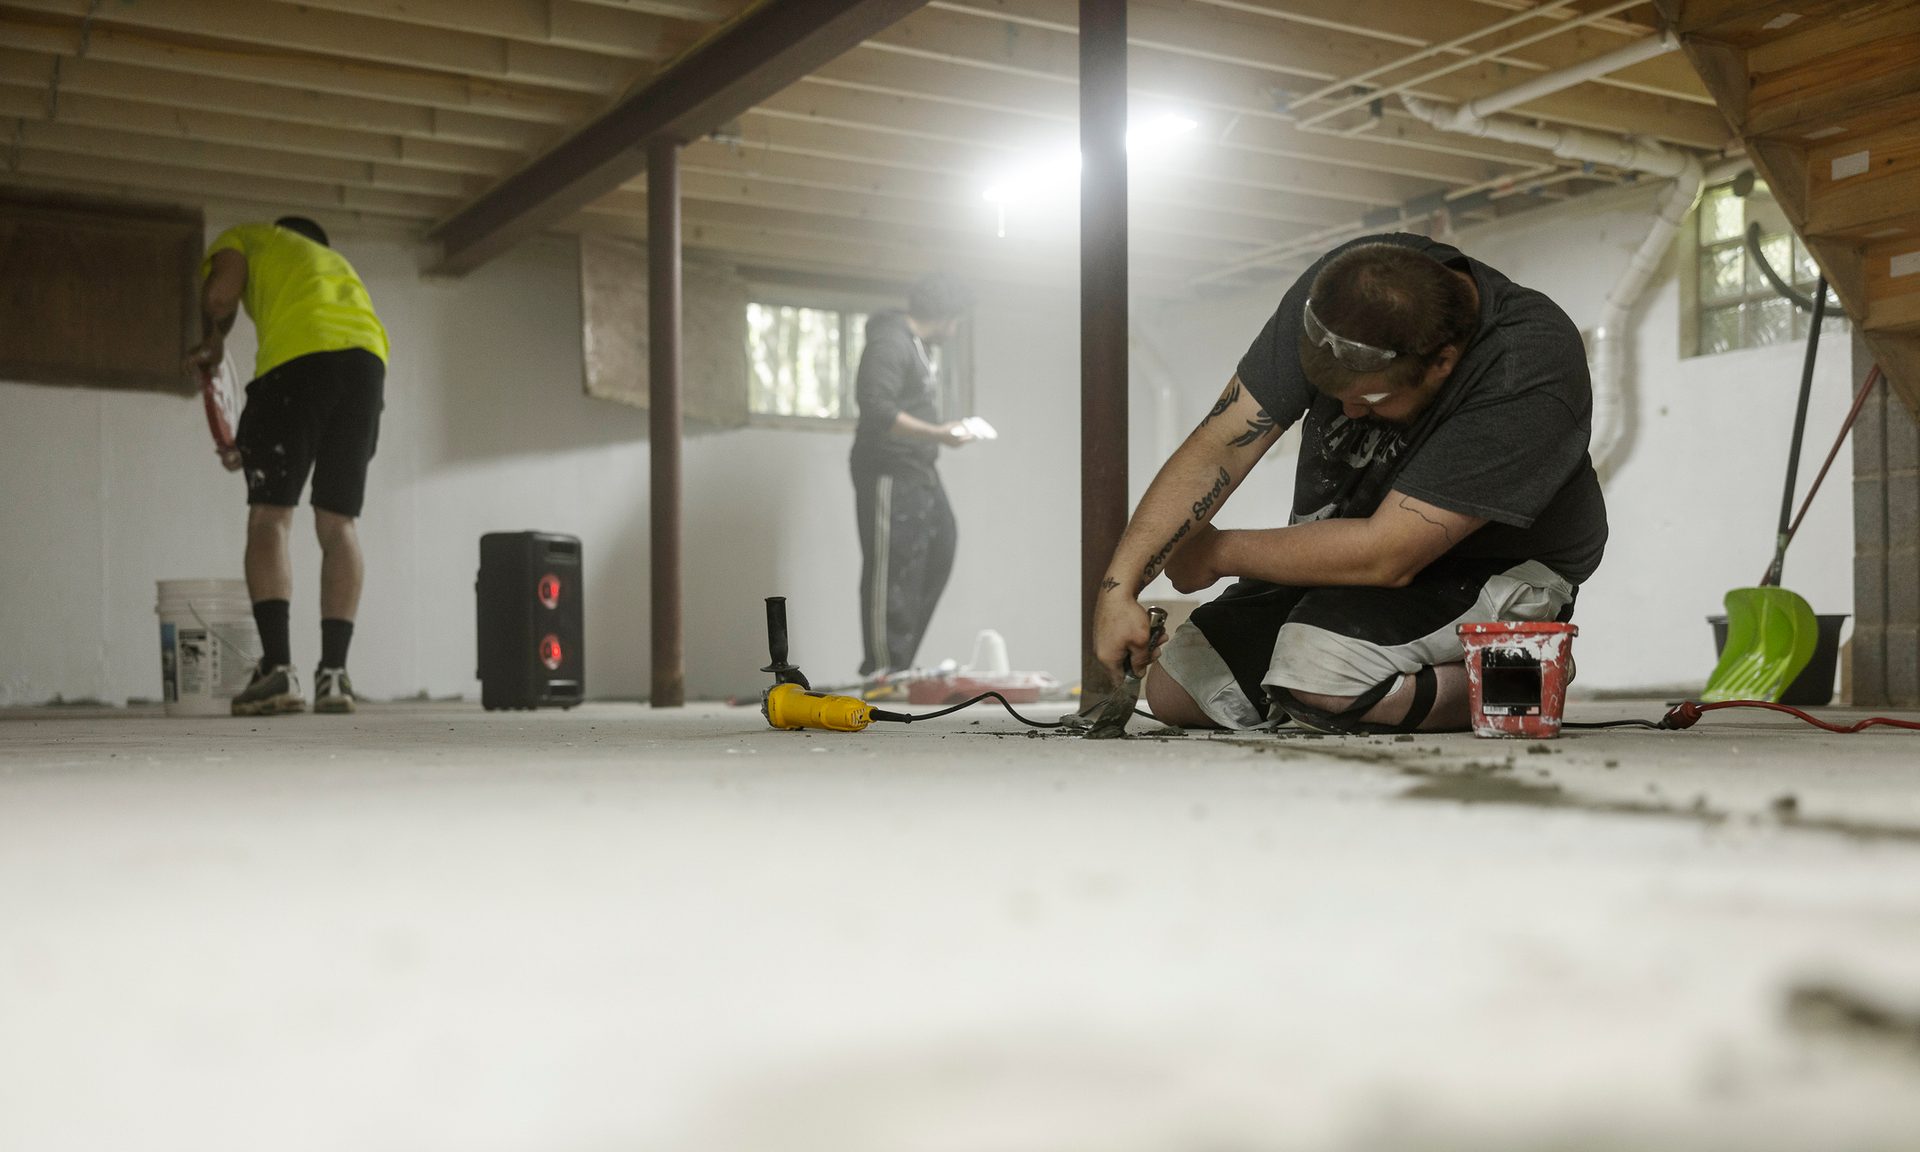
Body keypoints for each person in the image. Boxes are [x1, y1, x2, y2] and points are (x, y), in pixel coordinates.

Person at [1093, 234, 1607, 734]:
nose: (1349, 410)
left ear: (1442, 362)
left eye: (1373, 399)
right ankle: (1341, 687)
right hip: (1358, 550)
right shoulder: (1340, 297)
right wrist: (1120, 587)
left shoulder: (1525, 364)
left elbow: (1388, 553)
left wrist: (1214, 552)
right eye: (1331, 393)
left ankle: (1520, 677)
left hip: (1494, 562)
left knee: (1319, 676)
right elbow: (1224, 440)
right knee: (1180, 687)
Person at [187, 216, 388, 716]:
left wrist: (212, 335)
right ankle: (334, 676)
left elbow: (220, 295)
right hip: (367, 367)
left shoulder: (254, 237)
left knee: (270, 516)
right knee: (339, 522)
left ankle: (277, 670)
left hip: (298, 363)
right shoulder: (339, 268)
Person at [850, 272, 978, 680]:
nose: (955, 329)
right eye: (955, 320)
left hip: (920, 467)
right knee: (890, 564)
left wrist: (940, 433)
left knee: (942, 543)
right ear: (942, 315)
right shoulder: (890, 341)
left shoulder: (918, 347)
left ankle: (899, 661)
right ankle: (883, 668)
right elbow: (876, 408)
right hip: (889, 467)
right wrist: (940, 433)